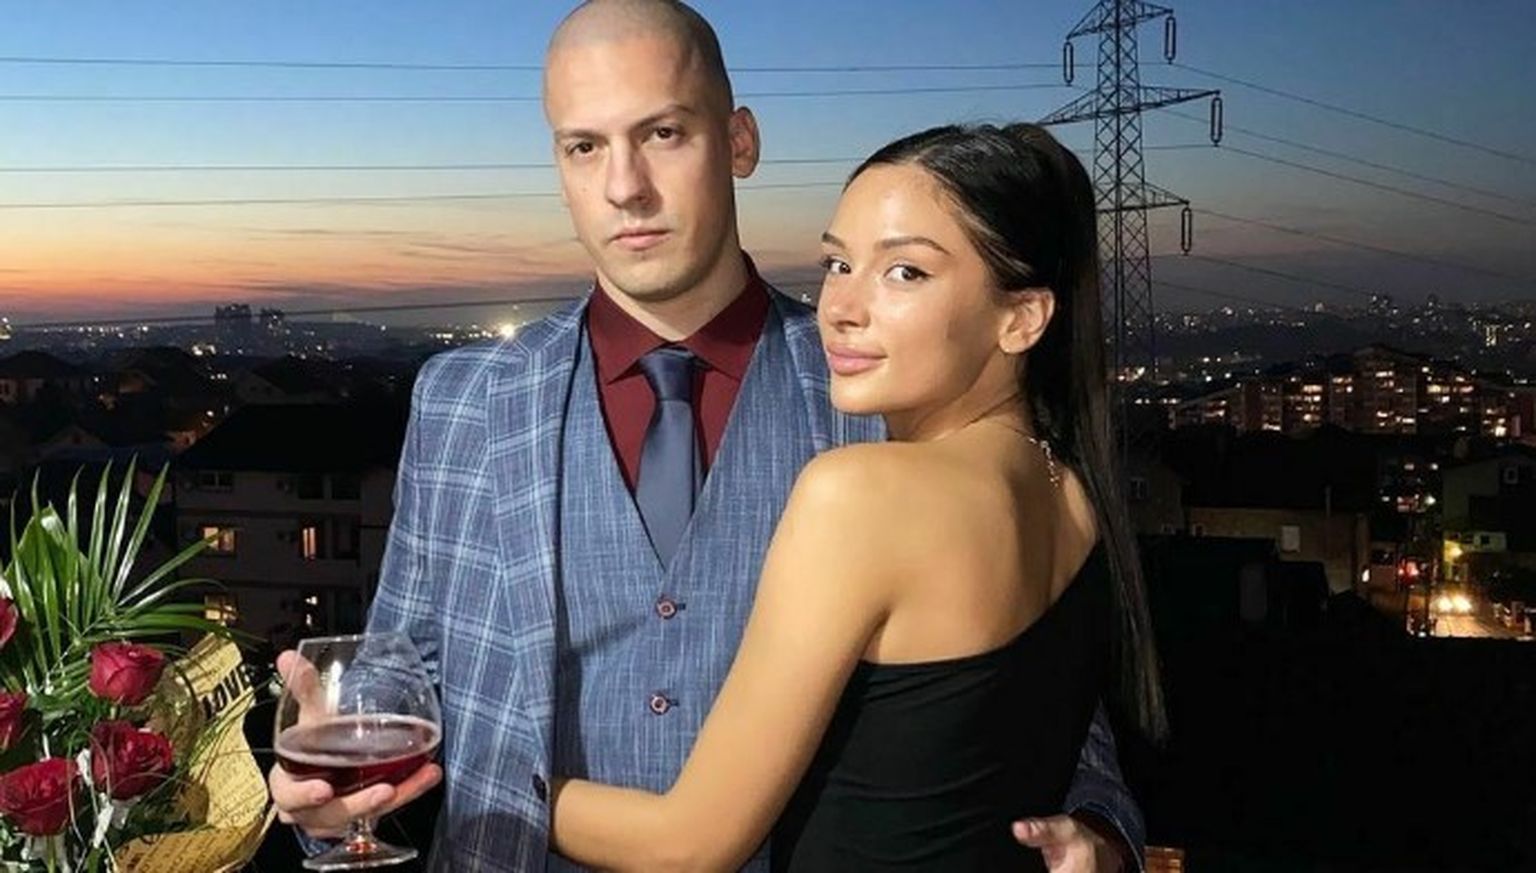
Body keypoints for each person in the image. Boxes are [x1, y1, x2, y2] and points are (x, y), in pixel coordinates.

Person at [269, 2, 1148, 870]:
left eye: (663, 134)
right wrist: (332, 799)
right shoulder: (463, 401)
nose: (625, 187)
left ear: (738, 142)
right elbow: (400, 682)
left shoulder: (891, 385)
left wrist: (1100, 827)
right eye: (585, 147)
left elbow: (1017, 693)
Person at [542, 120, 1165, 871]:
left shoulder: (861, 494)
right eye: (839, 263)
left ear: (1021, 318)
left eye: (905, 272)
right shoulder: (1072, 491)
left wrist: (483, 776)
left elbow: (686, 844)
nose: (840, 307)